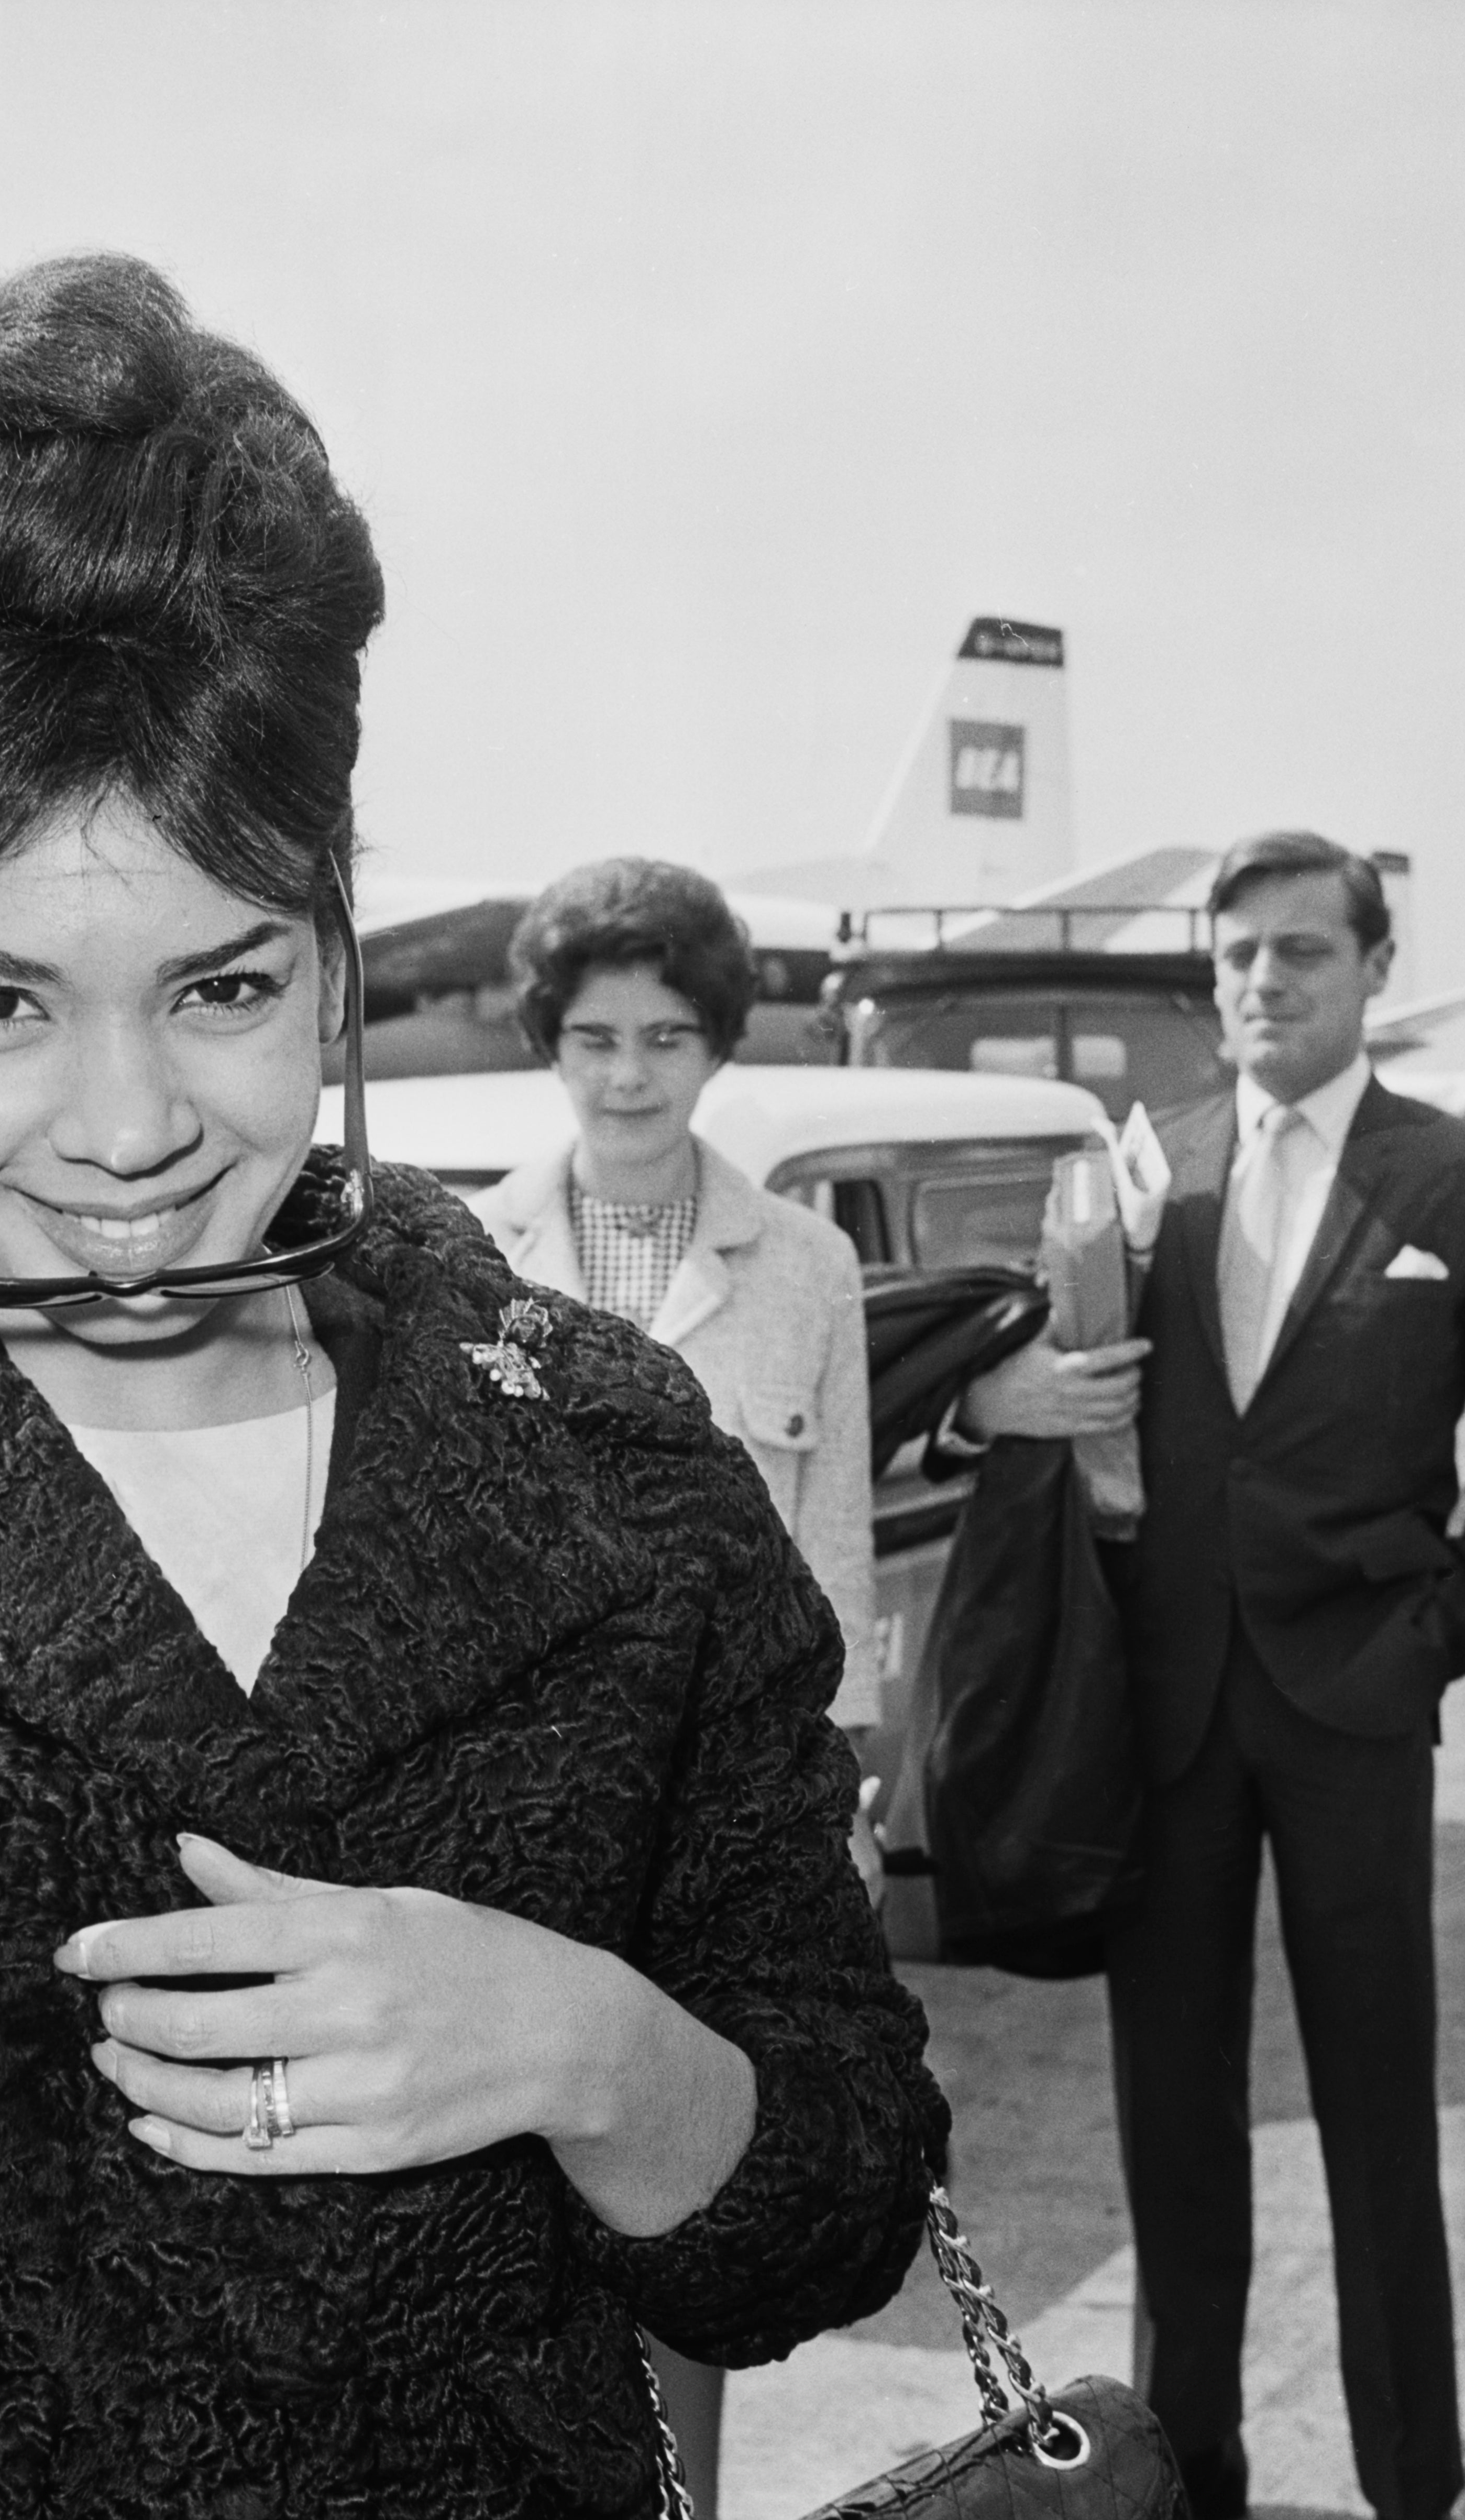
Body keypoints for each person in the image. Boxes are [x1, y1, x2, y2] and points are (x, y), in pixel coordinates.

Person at [0, 254, 944, 2520]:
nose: (126, 1123)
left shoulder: (611, 1461)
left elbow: (833, 2189)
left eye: (224, 984)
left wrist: (580, 2042)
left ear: (336, 946)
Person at [961, 829, 1465, 2520]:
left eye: (1301, 953)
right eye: (1237, 956)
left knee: (1382, 2121)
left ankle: (1411, 2479)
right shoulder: (1140, 1163)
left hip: (1354, 1711)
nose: (1262, 983)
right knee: (1175, 2129)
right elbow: (1046, 1385)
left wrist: (1436, 1641)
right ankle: (1194, 2477)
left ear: (1373, 968)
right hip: (1171, 1708)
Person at [475, 853, 879, 2519]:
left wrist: (846, 1808)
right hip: (510, 1805)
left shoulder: (805, 1266)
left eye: (664, 1038)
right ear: (550, 1048)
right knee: (502, 2228)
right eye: (593, 1039)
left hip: (713, 1814)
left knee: (681, 2198)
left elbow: (836, 1551)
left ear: (718, 1048)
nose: (628, 1075)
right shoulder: (461, 1252)